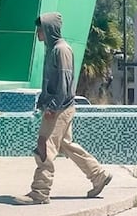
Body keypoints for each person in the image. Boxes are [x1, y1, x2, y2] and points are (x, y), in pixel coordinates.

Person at [15, 13, 112, 205]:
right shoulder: (53, 50)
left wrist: (51, 106)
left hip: (59, 108)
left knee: (44, 145)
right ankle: (98, 175)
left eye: (40, 28)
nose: (38, 33)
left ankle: (40, 192)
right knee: (66, 145)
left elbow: (65, 83)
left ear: (49, 29)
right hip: (59, 106)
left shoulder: (61, 50)